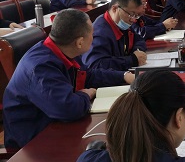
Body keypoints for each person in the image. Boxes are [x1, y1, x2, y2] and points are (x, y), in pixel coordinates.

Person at [2, 9, 134, 150]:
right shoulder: (41, 67)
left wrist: (123, 76)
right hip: (32, 143)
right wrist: (86, 94)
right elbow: (68, 108)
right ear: (79, 42)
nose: (94, 36)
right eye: (92, 33)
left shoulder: (63, 49)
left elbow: (88, 75)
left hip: (54, 122)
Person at [83, 0, 147, 71]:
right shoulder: (100, 32)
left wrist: (137, 51)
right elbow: (95, 65)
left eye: (136, 15)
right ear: (115, 9)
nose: (133, 20)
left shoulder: (122, 23)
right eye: (131, 14)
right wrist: (132, 60)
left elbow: (139, 39)